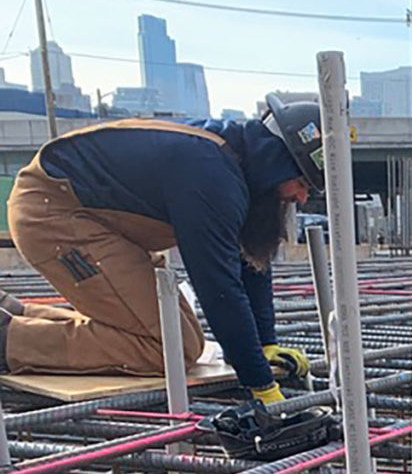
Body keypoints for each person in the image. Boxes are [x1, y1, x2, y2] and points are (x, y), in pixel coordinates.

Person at [0, 94, 325, 404]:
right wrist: (260, 384)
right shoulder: (213, 177)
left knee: (184, 340)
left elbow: (252, 260)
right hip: (54, 215)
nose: (301, 198)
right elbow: (219, 287)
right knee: (169, 349)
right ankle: (7, 342)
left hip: (95, 223)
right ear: (277, 162)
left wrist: (265, 343)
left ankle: (16, 314)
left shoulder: (236, 157)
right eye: (302, 183)